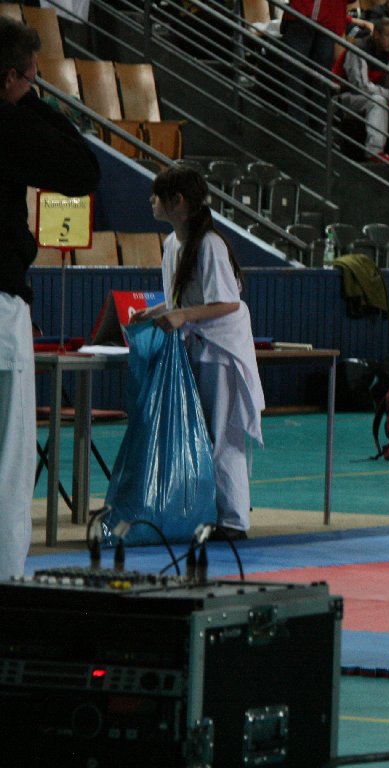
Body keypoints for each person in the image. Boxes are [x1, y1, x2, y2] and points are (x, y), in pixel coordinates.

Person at [0, 17, 101, 578]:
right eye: (30, 78)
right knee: (8, 461)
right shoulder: (9, 123)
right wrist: (31, 102)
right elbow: (83, 170)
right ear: (11, 78)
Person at [137, 165, 264, 541]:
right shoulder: (173, 244)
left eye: (157, 195)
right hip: (197, 344)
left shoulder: (210, 245)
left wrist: (181, 315)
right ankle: (210, 511)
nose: (151, 201)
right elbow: (184, 300)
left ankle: (235, 521)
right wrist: (157, 310)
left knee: (222, 433)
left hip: (222, 349)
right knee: (201, 433)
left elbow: (227, 302)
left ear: (178, 201)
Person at [333, 17, 389, 163]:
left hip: (362, 99)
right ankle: (374, 152)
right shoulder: (359, 49)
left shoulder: (386, 54)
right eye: (388, 35)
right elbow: (360, 86)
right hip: (341, 98)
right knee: (379, 101)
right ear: (376, 35)